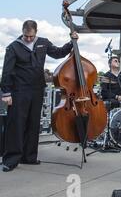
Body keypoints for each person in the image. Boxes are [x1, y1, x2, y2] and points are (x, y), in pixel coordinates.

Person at [1, 20, 78, 172]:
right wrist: (6, 93)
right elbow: (7, 72)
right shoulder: (13, 47)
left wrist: (72, 42)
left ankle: (29, 157)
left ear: (36, 33)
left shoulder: (43, 43)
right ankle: (11, 160)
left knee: (33, 124)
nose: (28, 39)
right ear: (22, 32)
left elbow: (58, 53)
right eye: (25, 36)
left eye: (31, 36)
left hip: (37, 90)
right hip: (19, 91)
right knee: (16, 125)